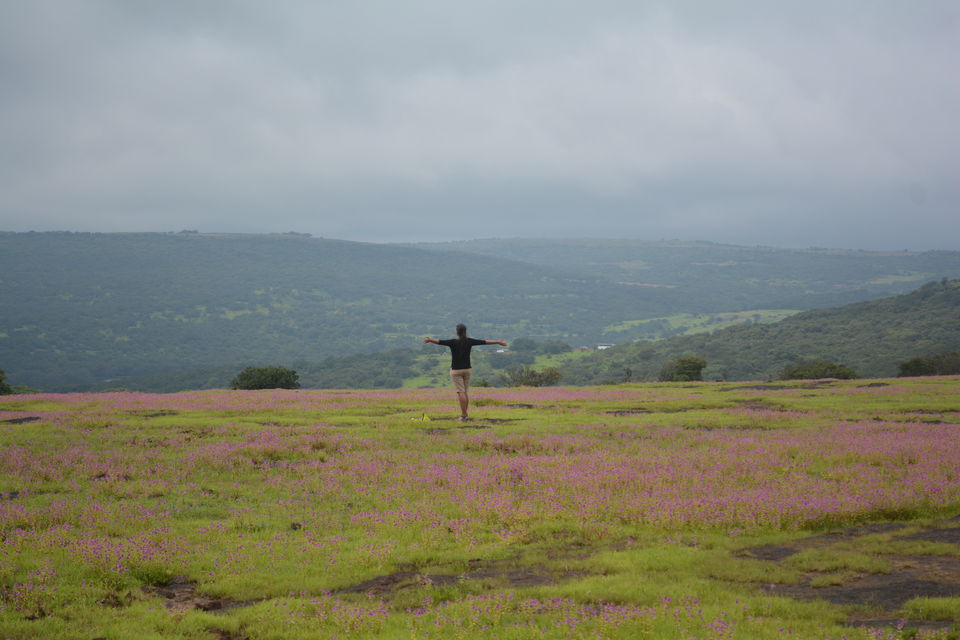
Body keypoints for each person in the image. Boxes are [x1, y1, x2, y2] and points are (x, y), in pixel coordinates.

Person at [424, 324, 507, 420]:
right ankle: (465, 414)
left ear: (457, 332)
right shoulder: (469, 341)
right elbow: (484, 342)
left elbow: (440, 341)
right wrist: (498, 342)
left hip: (456, 370)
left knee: (461, 392)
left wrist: (429, 340)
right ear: (465, 332)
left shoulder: (452, 342)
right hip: (467, 369)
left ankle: (463, 415)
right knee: (465, 392)